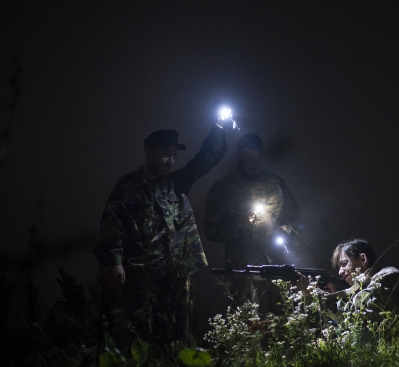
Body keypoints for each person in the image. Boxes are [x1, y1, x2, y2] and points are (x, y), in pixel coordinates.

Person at [93, 118, 230, 343]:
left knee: (178, 329)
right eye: (166, 154)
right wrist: (113, 262)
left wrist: (220, 129)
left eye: (175, 155)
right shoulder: (127, 186)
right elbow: (111, 224)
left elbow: (204, 161)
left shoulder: (177, 182)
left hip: (176, 270)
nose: (171, 161)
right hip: (142, 273)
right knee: (140, 331)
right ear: (149, 151)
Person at [203, 133, 300, 314]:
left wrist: (287, 229)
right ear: (238, 156)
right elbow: (211, 230)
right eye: (249, 159)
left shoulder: (275, 182)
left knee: (284, 322)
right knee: (250, 327)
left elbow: (296, 218)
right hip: (245, 273)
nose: (254, 164)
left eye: (258, 158)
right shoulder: (223, 188)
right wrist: (238, 225)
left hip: (279, 268)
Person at [297, 239, 399, 321]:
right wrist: (332, 296)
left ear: (363, 258)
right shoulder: (363, 288)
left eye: (344, 264)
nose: (340, 272)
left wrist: (312, 292)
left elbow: (354, 314)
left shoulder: (389, 276)